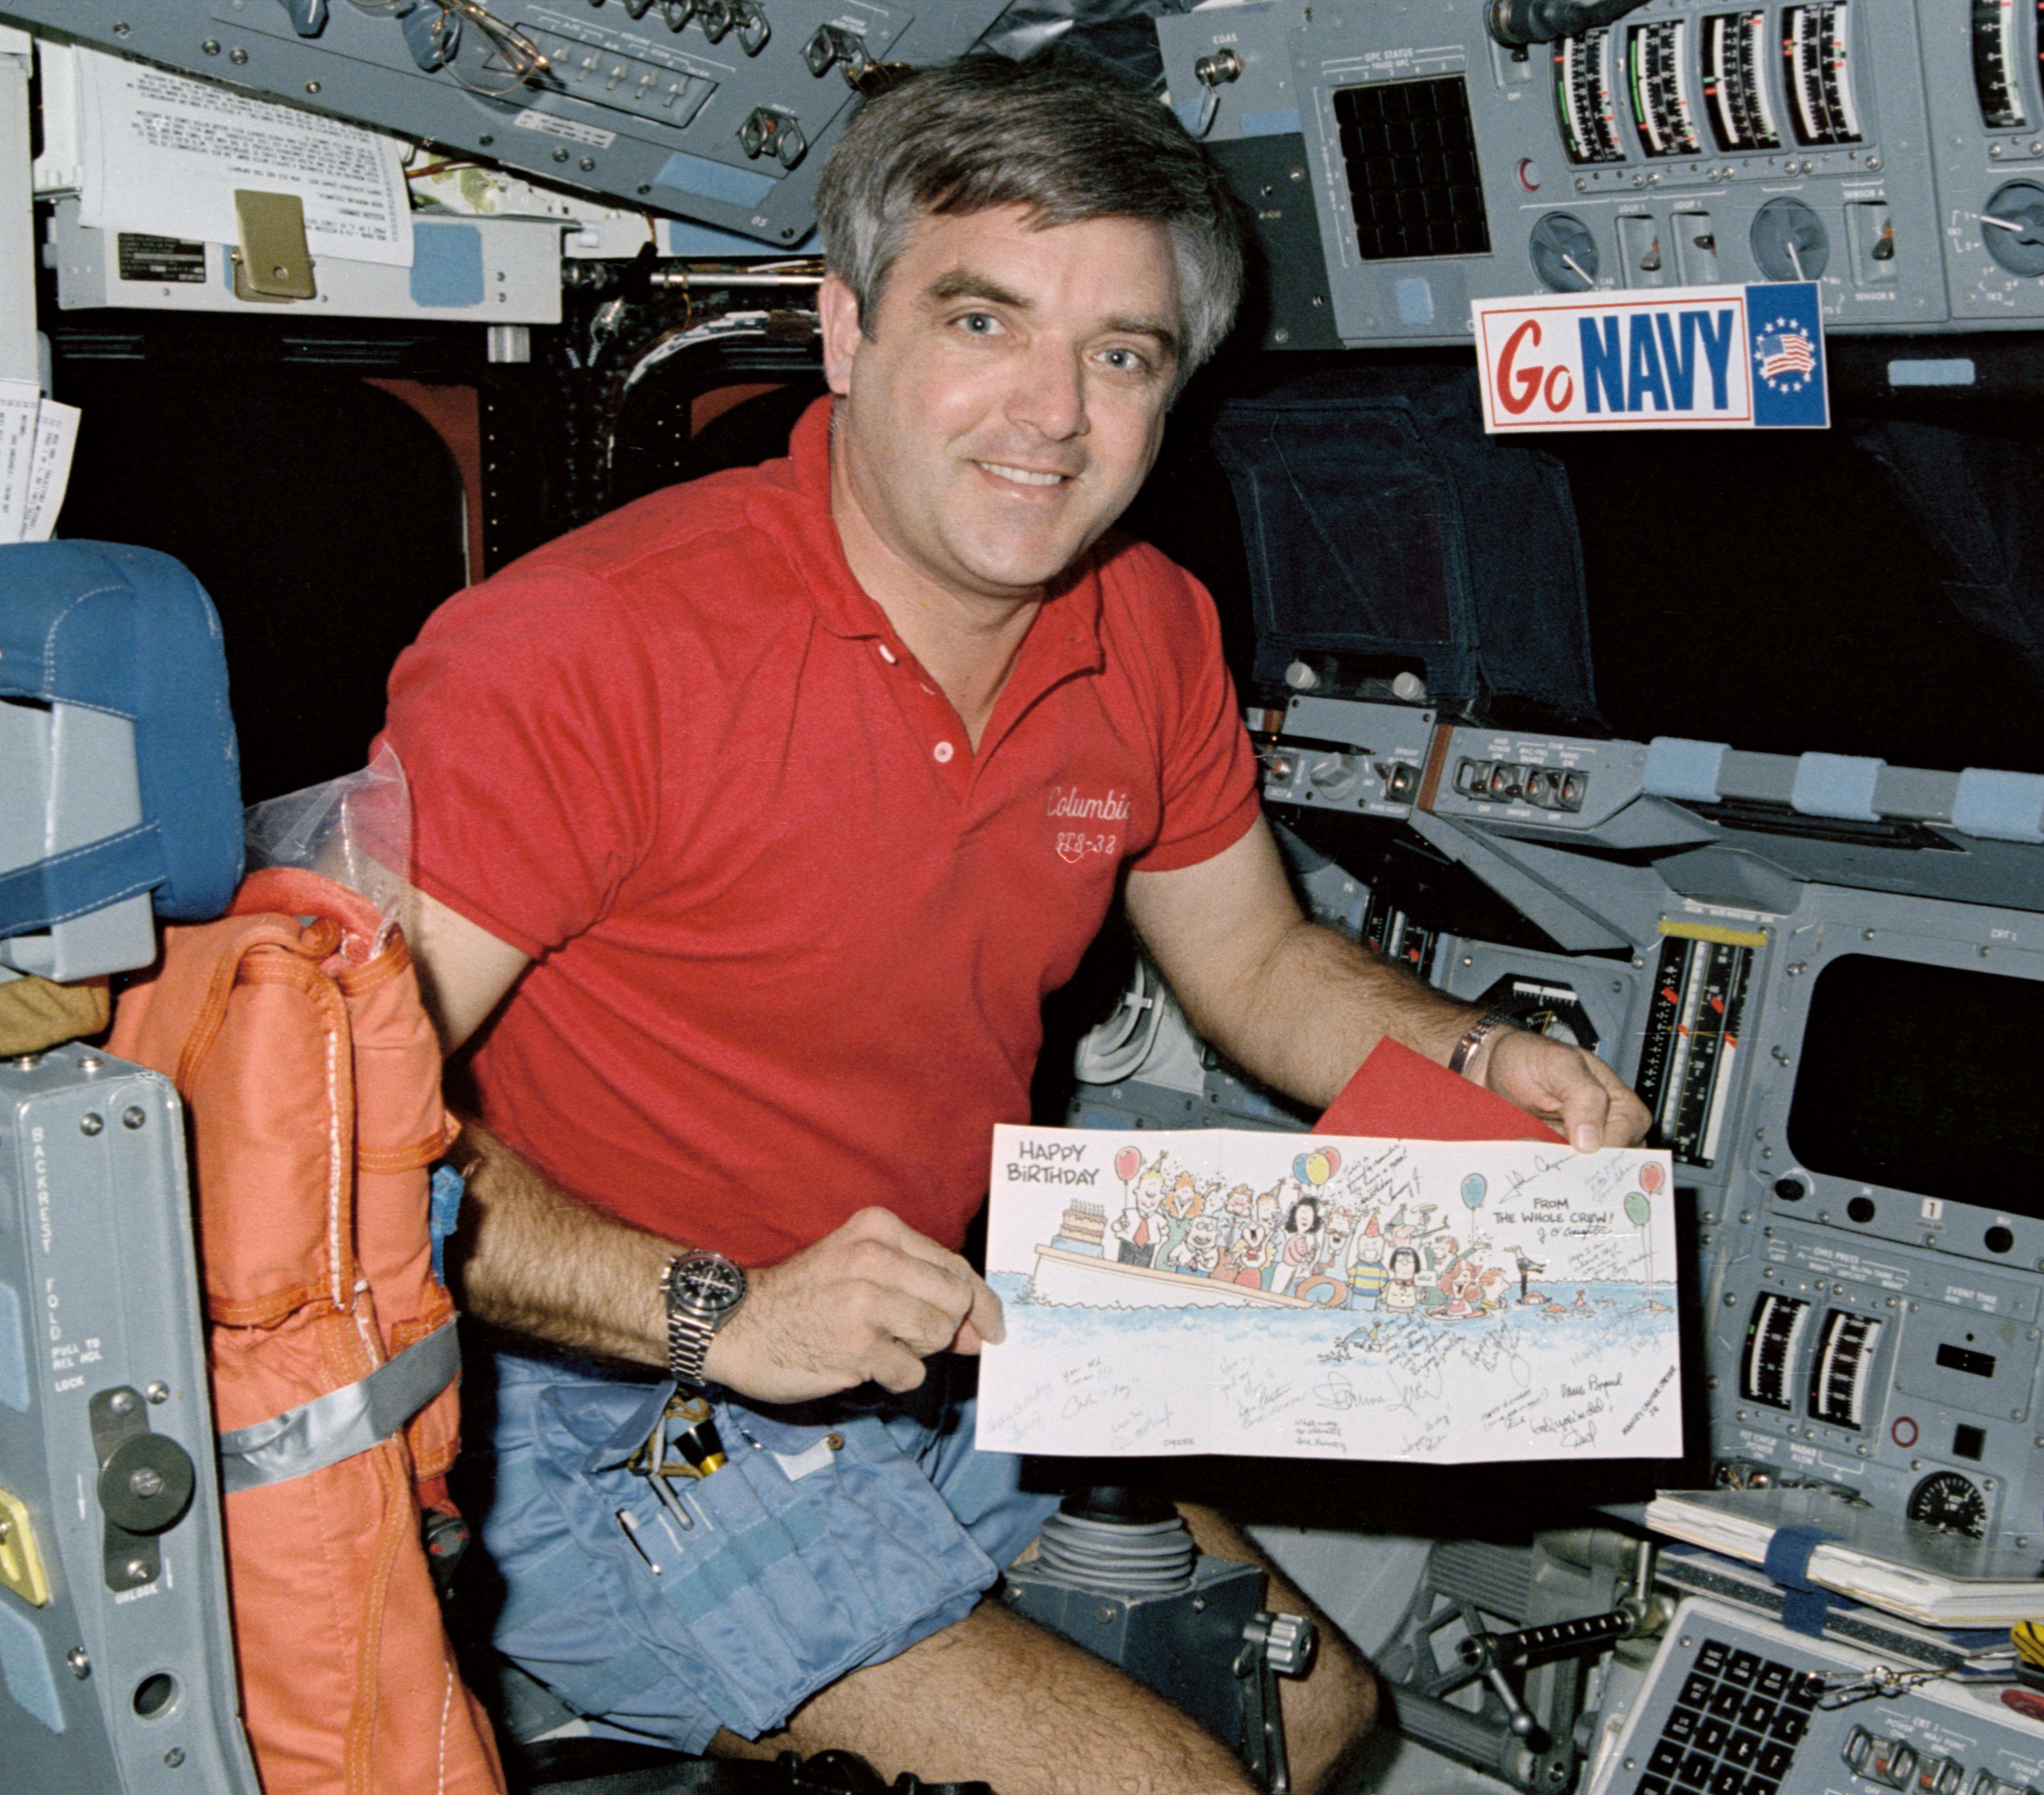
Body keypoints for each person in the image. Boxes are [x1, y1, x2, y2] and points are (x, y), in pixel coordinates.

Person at [380, 47, 1646, 1795]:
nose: (1051, 415)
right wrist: (720, 1313)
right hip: (596, 1394)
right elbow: (344, 1131)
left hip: (918, 1333)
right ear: (846, 331)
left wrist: (1481, 1056)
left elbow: (1257, 963)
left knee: (1319, 1715)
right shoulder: (588, 649)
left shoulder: (1149, 626)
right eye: (983, 322)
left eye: (1119, 355)